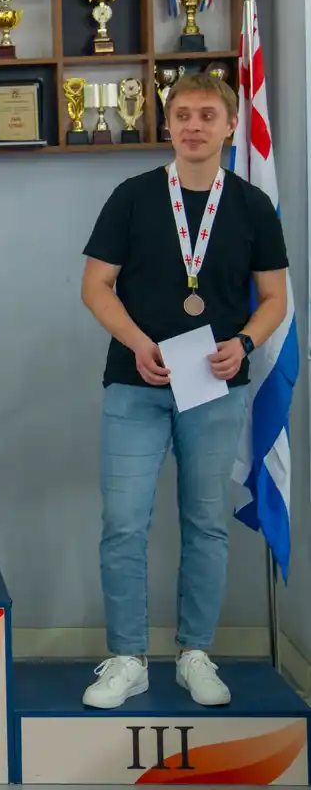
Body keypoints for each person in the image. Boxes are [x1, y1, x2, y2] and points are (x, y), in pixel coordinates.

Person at [80, 72, 288, 709]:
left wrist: (245, 343)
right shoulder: (133, 197)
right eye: (182, 115)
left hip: (216, 387)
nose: (194, 126)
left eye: (207, 115)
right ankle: (128, 658)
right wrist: (138, 342)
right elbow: (95, 286)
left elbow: (275, 299)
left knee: (205, 524)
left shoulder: (252, 206)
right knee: (123, 524)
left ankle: (195, 653)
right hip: (135, 382)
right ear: (167, 124)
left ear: (230, 125)